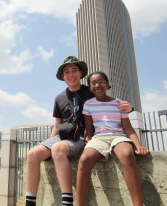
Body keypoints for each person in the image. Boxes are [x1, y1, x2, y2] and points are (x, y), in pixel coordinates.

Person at [25, 56, 133, 206]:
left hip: (83, 137)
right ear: (63, 77)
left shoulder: (90, 92)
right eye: (67, 72)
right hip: (63, 136)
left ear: (81, 73)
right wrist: (48, 144)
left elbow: (110, 102)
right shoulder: (59, 98)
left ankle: (67, 201)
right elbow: (57, 125)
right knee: (32, 154)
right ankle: (30, 201)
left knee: (57, 149)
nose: (71, 75)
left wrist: (130, 107)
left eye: (74, 70)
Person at [75, 71, 149, 206]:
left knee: (127, 154)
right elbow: (89, 128)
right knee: (84, 160)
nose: (97, 85)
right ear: (90, 87)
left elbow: (128, 129)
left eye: (101, 81)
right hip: (98, 138)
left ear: (107, 84)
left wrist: (138, 145)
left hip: (118, 136)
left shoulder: (119, 103)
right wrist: (88, 140)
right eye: (93, 83)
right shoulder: (88, 104)